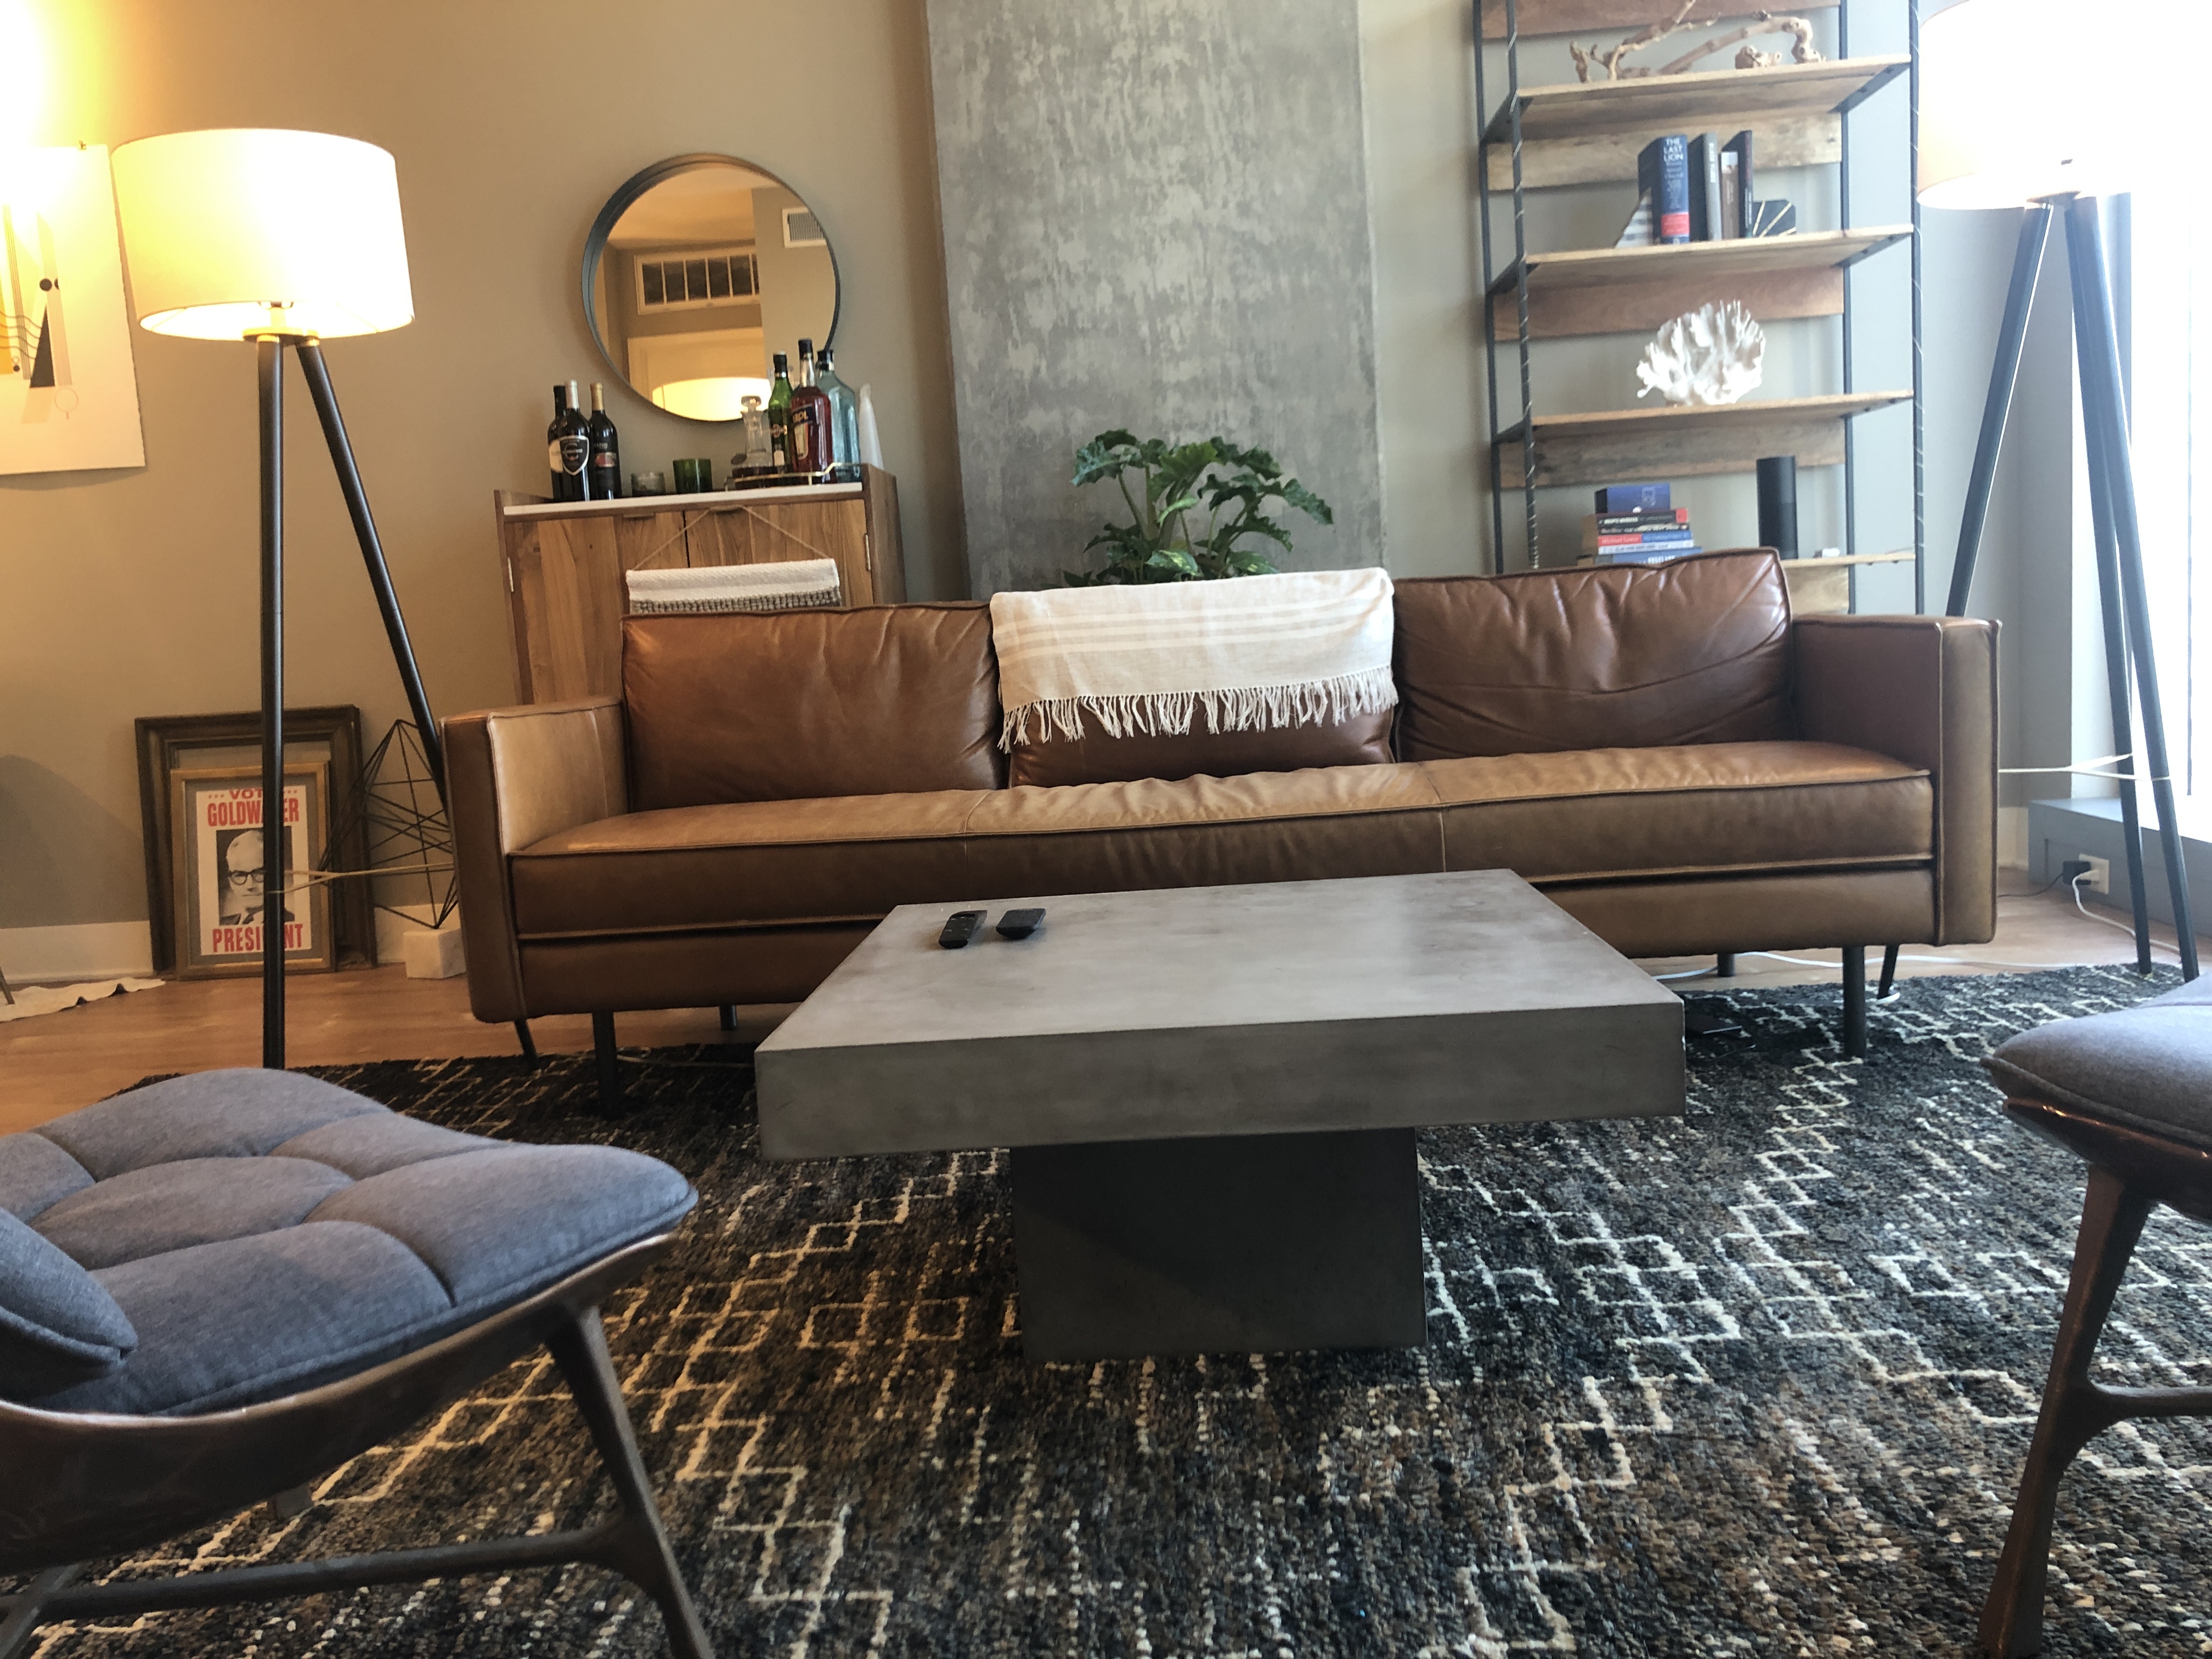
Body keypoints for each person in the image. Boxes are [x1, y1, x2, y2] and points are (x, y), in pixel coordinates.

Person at [216, 827, 294, 927]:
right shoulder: (223, 924)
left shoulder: (291, 923)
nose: (250, 886)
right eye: (240, 875)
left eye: (259, 873)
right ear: (230, 881)